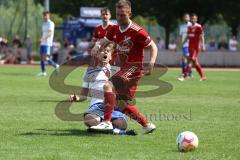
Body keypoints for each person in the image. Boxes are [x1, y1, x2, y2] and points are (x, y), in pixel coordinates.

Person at [90, 0, 158, 134]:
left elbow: (153, 46)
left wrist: (151, 63)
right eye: (117, 15)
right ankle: (147, 124)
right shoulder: (114, 28)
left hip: (133, 68)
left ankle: (107, 123)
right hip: (124, 69)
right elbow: (105, 40)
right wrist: (97, 46)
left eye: (122, 15)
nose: (119, 18)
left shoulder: (138, 31)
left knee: (107, 86)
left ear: (130, 14)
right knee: (121, 105)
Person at [69, 43, 136, 135]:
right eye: (101, 51)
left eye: (108, 51)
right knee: (89, 120)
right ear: (97, 55)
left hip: (114, 106)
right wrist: (76, 97)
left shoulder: (117, 71)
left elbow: (124, 93)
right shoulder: (89, 71)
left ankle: (112, 129)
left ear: (111, 56)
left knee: (121, 124)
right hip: (97, 105)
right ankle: (121, 132)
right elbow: (84, 96)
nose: (105, 52)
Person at [178, 13, 206, 82]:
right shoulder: (189, 27)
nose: (193, 20)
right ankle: (203, 76)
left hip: (196, 48)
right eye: (192, 18)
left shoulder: (199, 27)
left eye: (194, 19)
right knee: (195, 62)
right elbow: (187, 36)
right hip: (190, 47)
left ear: (196, 19)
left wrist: (203, 45)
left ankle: (184, 76)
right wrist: (183, 43)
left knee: (190, 60)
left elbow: (202, 36)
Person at [38, 11, 59, 76]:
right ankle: (43, 72)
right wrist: (41, 40)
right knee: (41, 57)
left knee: (45, 58)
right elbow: (43, 33)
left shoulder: (51, 23)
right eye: (44, 15)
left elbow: (50, 33)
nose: (44, 16)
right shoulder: (44, 23)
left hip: (47, 43)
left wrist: (43, 39)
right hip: (43, 43)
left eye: (46, 15)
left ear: (48, 16)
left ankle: (56, 65)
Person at [178, 13, 192, 78]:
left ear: (189, 18)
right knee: (184, 59)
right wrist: (179, 44)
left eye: (187, 17)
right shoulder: (182, 27)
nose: (186, 18)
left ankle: (187, 73)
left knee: (188, 59)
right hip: (184, 45)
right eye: (185, 17)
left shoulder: (191, 26)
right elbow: (180, 36)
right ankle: (186, 73)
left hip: (190, 45)